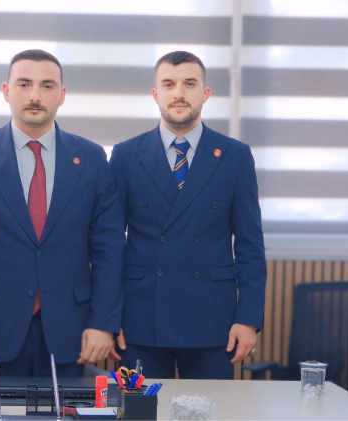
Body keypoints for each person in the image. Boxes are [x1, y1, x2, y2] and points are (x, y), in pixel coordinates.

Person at [0, 49, 125, 377]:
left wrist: (103, 322)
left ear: (62, 95)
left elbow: (109, 248)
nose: (35, 96)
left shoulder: (92, 158)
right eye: (24, 84)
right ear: (6, 91)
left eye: (47, 86)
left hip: (70, 330)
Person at [109, 51, 266, 379]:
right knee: (139, 406)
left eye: (189, 84)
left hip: (213, 321)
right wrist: (107, 317)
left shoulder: (235, 156)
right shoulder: (125, 155)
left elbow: (250, 244)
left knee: (213, 406)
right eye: (169, 84)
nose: (178, 93)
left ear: (205, 93)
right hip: (139, 320)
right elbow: (108, 244)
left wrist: (249, 318)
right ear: (155, 94)